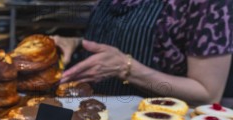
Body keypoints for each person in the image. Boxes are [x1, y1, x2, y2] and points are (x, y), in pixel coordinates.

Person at [53, 0, 233, 104]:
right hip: (95, 119)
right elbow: (116, 37)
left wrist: (126, 68)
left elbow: (208, 94)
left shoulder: (208, 4)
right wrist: (76, 43)